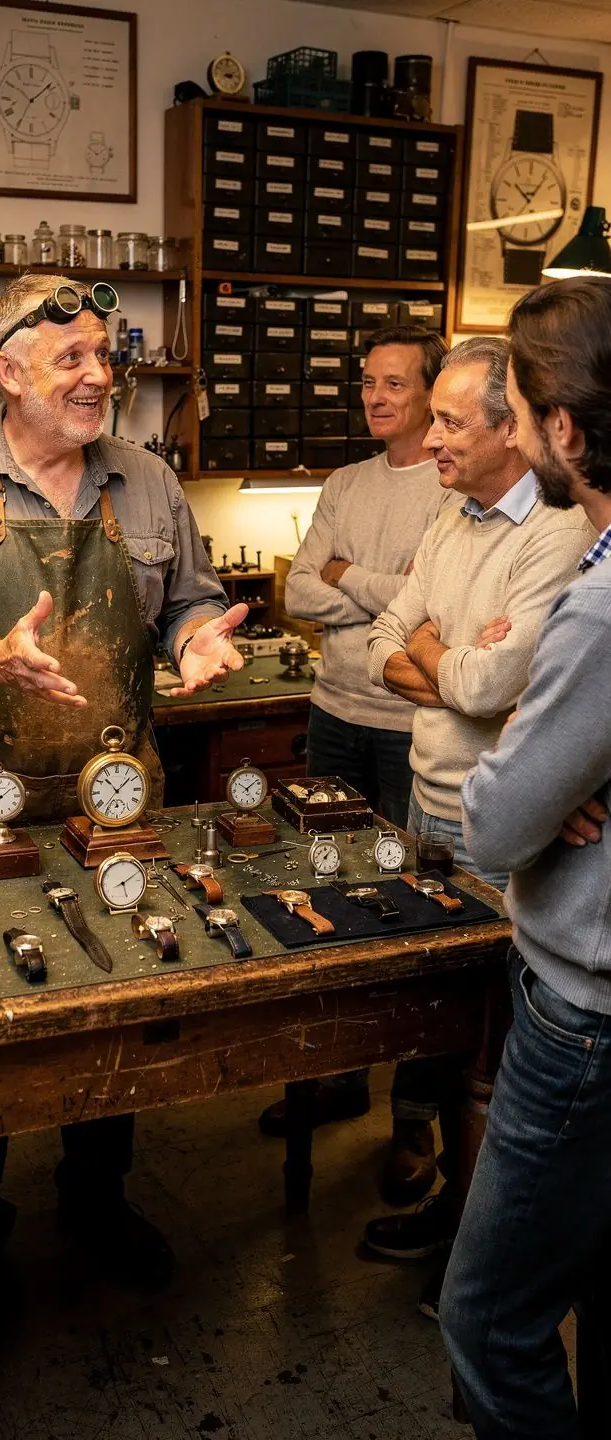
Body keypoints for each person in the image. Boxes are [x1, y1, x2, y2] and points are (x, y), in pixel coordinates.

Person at [0, 273, 246, 1329]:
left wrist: (199, 639)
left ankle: (95, 1199)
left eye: (103, 357)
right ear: (7, 371)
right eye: (70, 358)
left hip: (113, 788)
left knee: (120, 1000)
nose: (97, 377)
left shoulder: (149, 481)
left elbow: (191, 603)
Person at [363, 336, 594, 1317]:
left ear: (520, 432)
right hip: (427, 803)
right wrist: (449, 663)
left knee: (498, 1063)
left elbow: (493, 683)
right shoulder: (449, 518)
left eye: (454, 420)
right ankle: (451, 1215)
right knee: (444, 1035)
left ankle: (479, 1255)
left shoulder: (558, 536)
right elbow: (386, 646)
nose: (431, 434)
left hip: (497, 817)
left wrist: (457, 672)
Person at [438, 276, 611, 1439]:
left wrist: (530, 757)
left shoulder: (596, 612)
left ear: (561, 427)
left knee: (491, 1319)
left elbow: (492, 823)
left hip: (584, 1017)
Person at [258, 326, 455, 1205]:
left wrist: (350, 576)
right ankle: (336, 1076)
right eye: (366, 383)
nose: (374, 398)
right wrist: (382, 587)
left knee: (413, 916)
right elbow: (296, 591)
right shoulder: (343, 482)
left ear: (433, 391)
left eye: (393, 384)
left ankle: (413, 1122)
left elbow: (435, 617)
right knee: (323, 895)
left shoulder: (451, 492)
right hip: (334, 715)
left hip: (410, 726)